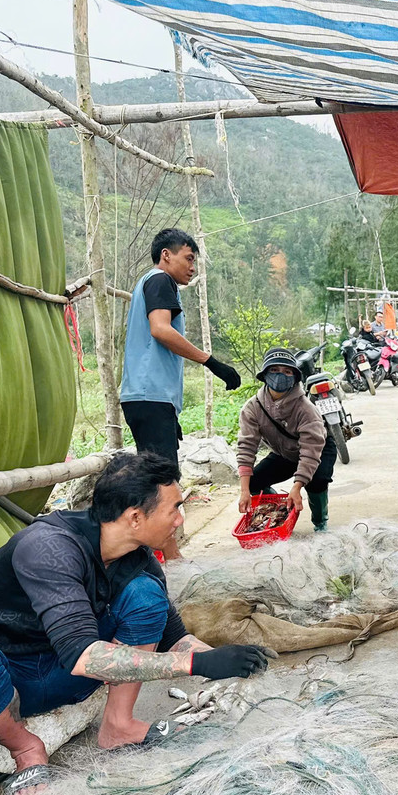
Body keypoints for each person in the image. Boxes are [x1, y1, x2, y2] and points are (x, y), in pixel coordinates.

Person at [0, 452, 274, 795]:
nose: (180, 520)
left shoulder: (137, 557)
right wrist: (194, 666)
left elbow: (174, 638)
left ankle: (119, 725)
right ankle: (26, 749)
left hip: (64, 677)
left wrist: (225, 661)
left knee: (146, 595)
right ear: (135, 517)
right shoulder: (48, 548)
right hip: (3, 683)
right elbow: (83, 657)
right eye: (175, 509)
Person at [120, 228, 242, 558]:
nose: (192, 267)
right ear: (166, 255)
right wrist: (211, 362)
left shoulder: (148, 283)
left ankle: (152, 554)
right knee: (163, 482)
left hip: (148, 396)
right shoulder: (161, 280)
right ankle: (169, 558)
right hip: (149, 395)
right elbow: (160, 330)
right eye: (188, 258)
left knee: (155, 478)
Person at [235, 347, 333, 532]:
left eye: (287, 371)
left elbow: (310, 451)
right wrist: (244, 491)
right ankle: (276, 508)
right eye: (274, 370)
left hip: (318, 450)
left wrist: (297, 486)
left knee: (317, 481)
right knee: (254, 482)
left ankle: (320, 522)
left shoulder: (306, 409)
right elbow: (247, 447)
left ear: (295, 377)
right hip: (285, 453)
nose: (280, 375)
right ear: (265, 375)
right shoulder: (252, 408)